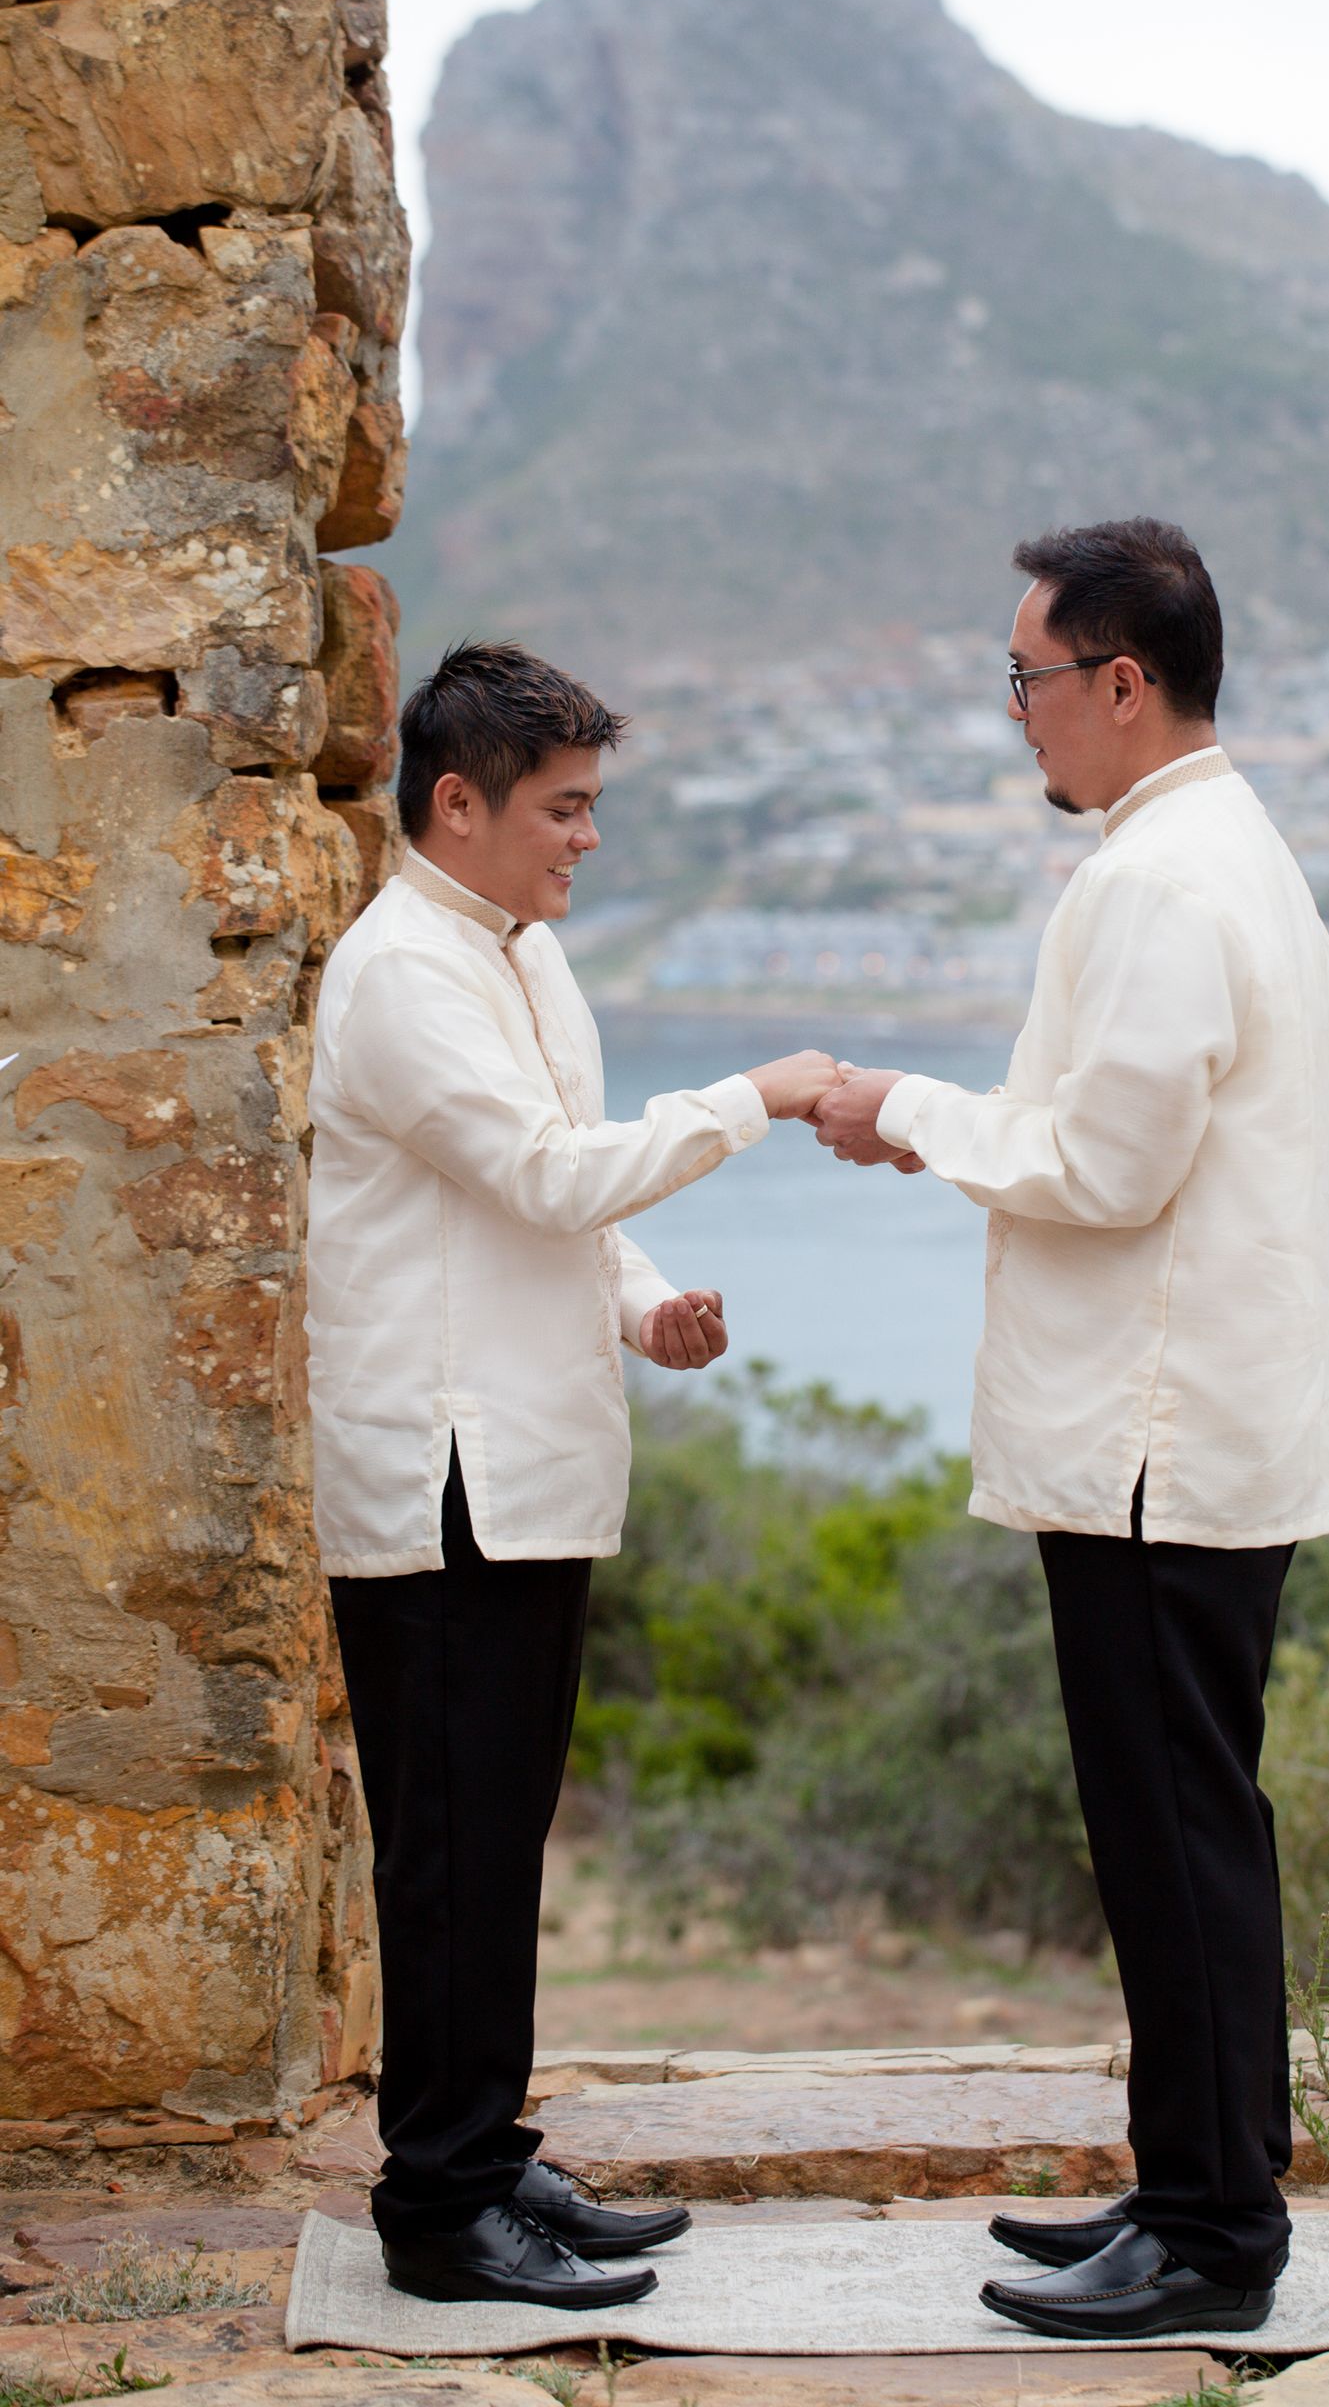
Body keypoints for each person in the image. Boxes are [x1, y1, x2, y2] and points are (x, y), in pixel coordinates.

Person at [813, 518, 1329, 2341]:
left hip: (1154, 1439)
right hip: (1196, 1424)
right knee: (1184, 1820)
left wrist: (907, 1109)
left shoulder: (1159, 882)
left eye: (1033, 680)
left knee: (1175, 1828)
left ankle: (1214, 2238)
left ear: (1126, 684)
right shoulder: (1222, 849)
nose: (1019, 717)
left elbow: (1106, 1170)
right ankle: (1195, 2181)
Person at [306, 641, 840, 2309]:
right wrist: (753, 1096)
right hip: (443, 1477)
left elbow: (560, 1215)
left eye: (593, 805)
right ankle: (438, 2207)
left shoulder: (523, 957)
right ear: (457, 805)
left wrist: (640, 1303)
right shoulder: (404, 972)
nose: (587, 838)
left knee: (499, 1834)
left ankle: (484, 2153)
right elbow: (541, 1171)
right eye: (566, 807)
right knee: (451, 1849)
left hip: (526, 1464)